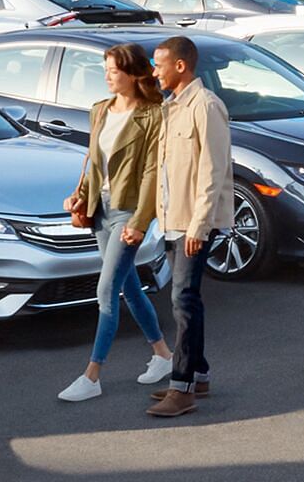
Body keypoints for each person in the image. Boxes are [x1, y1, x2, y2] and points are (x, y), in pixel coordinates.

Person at [58, 43, 175, 402]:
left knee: (105, 291)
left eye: (113, 70)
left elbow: (155, 173)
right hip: (101, 209)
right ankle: (163, 356)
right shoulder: (100, 110)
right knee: (129, 287)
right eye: (105, 69)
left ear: (134, 73)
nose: (107, 76)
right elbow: (92, 161)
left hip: (128, 211)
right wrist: (78, 193)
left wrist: (141, 222)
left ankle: (92, 376)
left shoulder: (153, 115)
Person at [146, 36, 234, 418]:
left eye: (158, 64)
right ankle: (198, 374)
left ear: (180, 66)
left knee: (183, 301)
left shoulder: (206, 107)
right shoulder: (170, 108)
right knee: (185, 299)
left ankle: (181, 388)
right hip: (172, 218)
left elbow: (213, 172)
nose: (154, 71)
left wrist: (198, 227)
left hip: (193, 222)